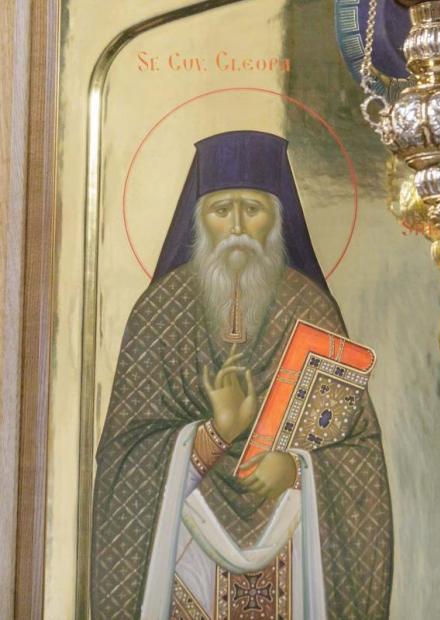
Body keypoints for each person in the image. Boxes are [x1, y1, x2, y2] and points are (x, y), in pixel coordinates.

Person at [91, 131, 393, 619]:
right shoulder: (159, 311)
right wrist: (215, 435)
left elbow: (358, 448)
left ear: (277, 218)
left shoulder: (311, 308)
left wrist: (297, 470)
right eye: (220, 209)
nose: (236, 226)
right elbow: (123, 456)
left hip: (290, 545)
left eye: (252, 209)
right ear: (199, 219)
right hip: (185, 550)